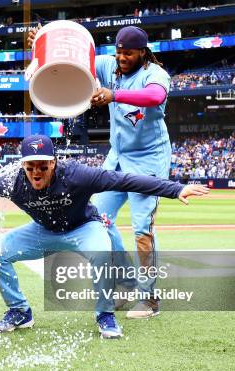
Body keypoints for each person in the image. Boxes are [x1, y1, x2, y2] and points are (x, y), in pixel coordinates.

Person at [0, 135, 208, 339]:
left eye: (43, 165)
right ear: (23, 166)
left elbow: (126, 179)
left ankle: (106, 315)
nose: (36, 172)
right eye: (30, 166)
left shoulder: (78, 175)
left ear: (54, 163)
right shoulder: (12, 181)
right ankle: (20, 312)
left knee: (102, 251)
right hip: (42, 232)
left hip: (84, 228)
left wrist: (176, 188)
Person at [28, 25, 173, 319]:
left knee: (142, 231)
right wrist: (45, 43)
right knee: (99, 221)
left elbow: (155, 97)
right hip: (117, 158)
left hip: (149, 161)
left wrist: (114, 95)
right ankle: (126, 284)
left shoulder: (155, 74)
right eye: (118, 51)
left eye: (128, 53)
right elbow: (74, 60)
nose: (121, 57)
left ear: (142, 53)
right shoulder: (110, 65)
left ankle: (150, 299)